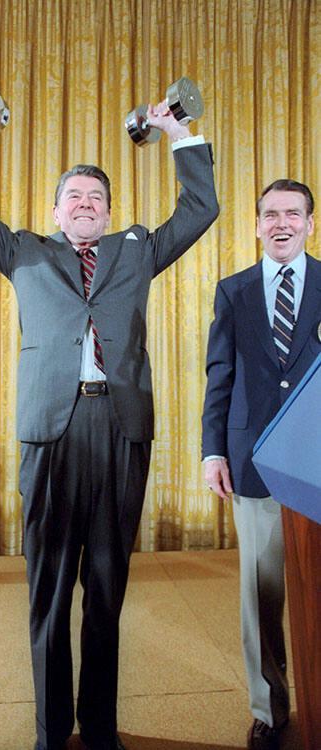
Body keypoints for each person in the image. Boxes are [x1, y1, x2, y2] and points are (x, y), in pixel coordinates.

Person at [0, 93, 219, 750]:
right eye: (75, 196)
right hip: (51, 434)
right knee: (48, 586)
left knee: (106, 584)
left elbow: (201, 209)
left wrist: (177, 131)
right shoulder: (23, 252)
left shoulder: (138, 251)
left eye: (97, 196)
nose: (86, 203)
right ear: (55, 209)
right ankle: (49, 731)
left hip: (121, 430)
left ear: (111, 211)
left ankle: (97, 730)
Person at [202, 180, 320, 750]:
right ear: (255, 225)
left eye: (292, 214)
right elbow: (218, 376)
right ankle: (269, 711)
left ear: (309, 224)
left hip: (319, 458)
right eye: (270, 214)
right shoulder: (233, 291)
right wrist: (213, 450)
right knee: (262, 589)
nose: (281, 223)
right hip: (254, 461)